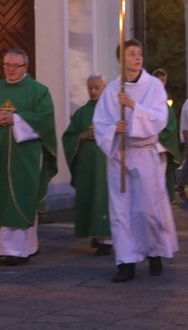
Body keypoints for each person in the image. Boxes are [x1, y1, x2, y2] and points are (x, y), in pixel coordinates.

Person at [93, 39, 178, 282]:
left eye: (139, 53)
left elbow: (160, 119)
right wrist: (114, 129)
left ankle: (154, 254)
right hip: (120, 154)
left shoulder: (153, 86)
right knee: (120, 211)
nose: (137, 58)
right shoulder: (112, 90)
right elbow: (100, 123)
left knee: (147, 209)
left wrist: (133, 107)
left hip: (144, 153)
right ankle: (126, 262)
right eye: (131, 54)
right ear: (121, 59)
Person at [0, 49, 57, 267]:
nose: (9, 69)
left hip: (25, 157)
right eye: (6, 65)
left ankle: (20, 249)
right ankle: (1, 248)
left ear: (25, 67)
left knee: (20, 197)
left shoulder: (39, 91)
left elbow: (45, 119)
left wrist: (16, 119)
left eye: (15, 66)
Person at [62, 74, 112, 256]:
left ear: (105, 88)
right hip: (87, 165)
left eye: (97, 87)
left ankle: (107, 239)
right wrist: (82, 136)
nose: (93, 91)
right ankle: (95, 234)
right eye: (90, 87)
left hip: (106, 163)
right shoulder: (82, 113)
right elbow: (68, 136)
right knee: (90, 197)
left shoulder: (113, 109)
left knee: (104, 197)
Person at [152, 68, 181, 203]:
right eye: (160, 80)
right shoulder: (147, 96)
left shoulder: (165, 99)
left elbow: (170, 123)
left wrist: (159, 136)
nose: (163, 83)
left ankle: (163, 202)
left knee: (162, 175)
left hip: (161, 146)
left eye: (164, 80)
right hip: (146, 145)